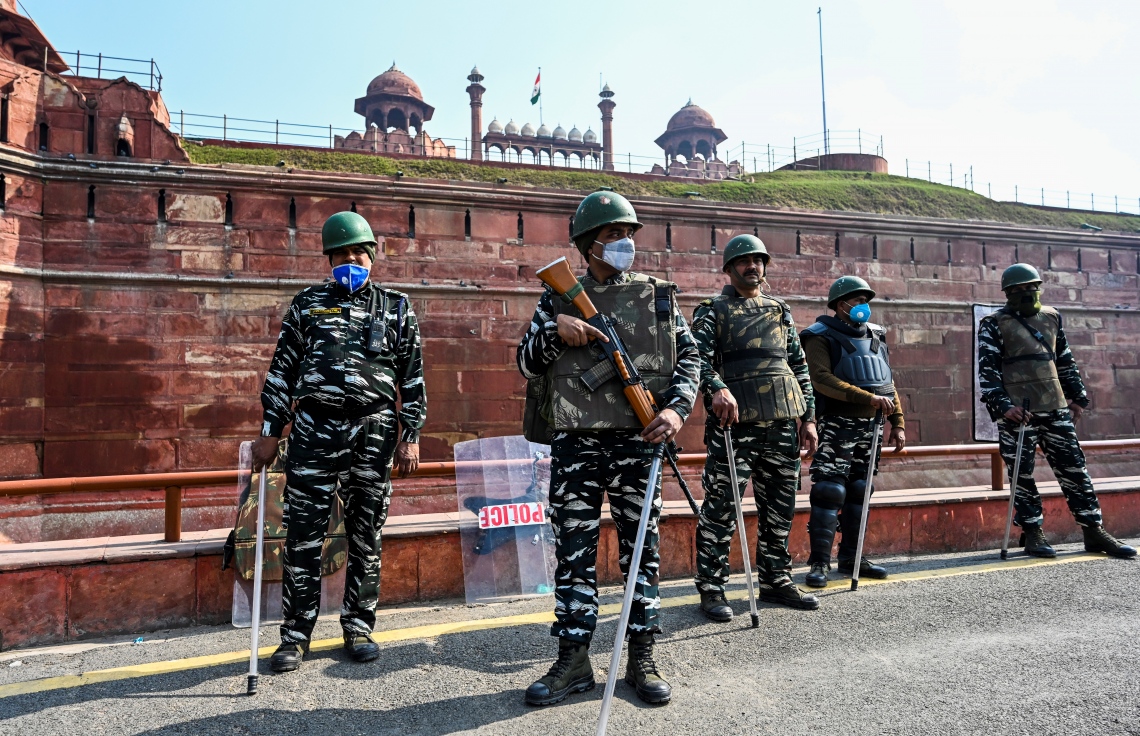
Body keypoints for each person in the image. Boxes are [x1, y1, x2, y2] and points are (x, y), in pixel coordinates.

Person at [517, 190, 700, 707]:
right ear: (585, 245)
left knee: (641, 553)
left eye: (627, 235)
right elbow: (527, 364)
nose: (623, 243)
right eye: (611, 236)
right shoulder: (555, 298)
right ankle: (573, 661)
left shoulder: (658, 295)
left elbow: (690, 359)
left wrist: (675, 409)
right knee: (573, 555)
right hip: (576, 442)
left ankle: (641, 655)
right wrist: (556, 331)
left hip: (638, 441)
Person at [253, 211, 425, 673]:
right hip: (313, 432)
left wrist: (410, 438)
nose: (351, 259)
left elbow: (413, 377)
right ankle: (294, 636)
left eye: (359, 252)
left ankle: (358, 627)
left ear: (373, 256)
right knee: (303, 538)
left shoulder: (396, 307)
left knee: (366, 537)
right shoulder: (306, 305)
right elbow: (282, 371)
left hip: (373, 433)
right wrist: (271, 431)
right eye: (342, 254)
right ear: (329, 259)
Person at [690, 234, 820, 621]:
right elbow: (695, 359)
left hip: (782, 423)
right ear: (729, 269)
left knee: (780, 508)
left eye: (758, 260)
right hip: (735, 427)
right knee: (721, 509)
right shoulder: (712, 310)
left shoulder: (779, 310)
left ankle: (777, 580)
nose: (753, 266)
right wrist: (717, 389)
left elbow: (798, 367)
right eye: (744, 261)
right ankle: (712, 589)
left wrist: (808, 418)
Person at [979, 263, 1135, 559]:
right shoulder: (993, 323)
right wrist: (1003, 407)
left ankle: (1093, 530)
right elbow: (987, 371)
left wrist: (1078, 398)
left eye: (1031, 288)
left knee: (1075, 470)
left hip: (1055, 407)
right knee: (1021, 476)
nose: (1027, 293)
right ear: (1009, 293)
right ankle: (1033, 533)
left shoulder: (1051, 317)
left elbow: (1063, 359)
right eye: (1019, 290)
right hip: (1018, 413)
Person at [801, 276, 905, 588]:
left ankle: (852, 557)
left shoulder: (876, 334)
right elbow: (820, 379)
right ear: (838, 305)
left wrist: (898, 422)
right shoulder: (819, 335)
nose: (861, 305)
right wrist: (866, 398)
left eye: (864, 300)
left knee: (861, 490)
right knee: (829, 491)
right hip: (837, 424)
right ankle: (819, 562)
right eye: (854, 300)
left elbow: (887, 381)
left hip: (872, 426)